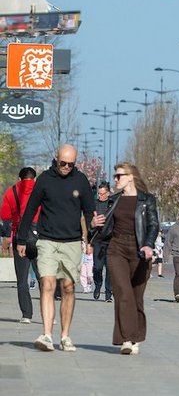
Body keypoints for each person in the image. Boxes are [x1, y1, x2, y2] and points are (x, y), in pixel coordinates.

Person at [17, 145, 102, 352]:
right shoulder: (45, 179)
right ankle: (47, 335)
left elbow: (89, 211)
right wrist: (21, 239)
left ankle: (65, 336)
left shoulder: (81, 180)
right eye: (62, 163)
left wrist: (91, 235)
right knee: (47, 283)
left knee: (68, 288)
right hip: (47, 241)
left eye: (70, 164)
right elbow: (30, 210)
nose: (66, 167)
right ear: (56, 159)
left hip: (72, 242)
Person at [97, 162, 159, 355]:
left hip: (139, 249)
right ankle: (126, 339)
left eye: (119, 176)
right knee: (123, 293)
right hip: (116, 248)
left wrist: (148, 244)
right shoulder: (113, 200)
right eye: (115, 176)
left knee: (136, 297)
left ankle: (136, 336)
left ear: (131, 176)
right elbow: (102, 227)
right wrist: (94, 223)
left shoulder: (147, 200)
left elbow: (153, 224)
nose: (115, 179)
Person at [1, 166, 41, 323]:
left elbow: (4, 215)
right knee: (43, 278)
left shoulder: (12, 191)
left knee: (22, 279)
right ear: (34, 179)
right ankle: (48, 313)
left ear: (19, 179)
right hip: (40, 237)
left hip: (20, 238)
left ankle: (26, 315)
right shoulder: (41, 190)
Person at [92, 182, 113, 302]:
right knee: (97, 267)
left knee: (110, 268)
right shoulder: (95, 204)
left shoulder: (113, 205)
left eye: (102, 194)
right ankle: (98, 285)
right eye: (98, 194)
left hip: (111, 240)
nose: (100, 196)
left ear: (108, 193)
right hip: (98, 239)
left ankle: (108, 294)